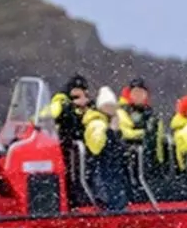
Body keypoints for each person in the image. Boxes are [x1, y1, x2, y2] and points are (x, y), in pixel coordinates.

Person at [47, 74, 93, 206]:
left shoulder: (90, 107)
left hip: (83, 154)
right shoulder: (61, 103)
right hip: (66, 151)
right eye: (75, 89)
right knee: (69, 179)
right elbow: (45, 116)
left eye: (82, 90)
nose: (79, 94)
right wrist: (70, 105)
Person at [116, 77, 167, 198]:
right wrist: (143, 134)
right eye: (135, 92)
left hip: (152, 160)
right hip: (133, 161)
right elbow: (124, 132)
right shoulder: (122, 112)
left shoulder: (152, 115)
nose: (138, 96)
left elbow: (159, 138)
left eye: (141, 93)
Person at [81, 87, 129, 212]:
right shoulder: (97, 124)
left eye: (112, 106)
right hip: (102, 172)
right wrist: (111, 131)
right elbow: (97, 148)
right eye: (107, 105)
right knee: (112, 199)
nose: (111, 109)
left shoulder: (108, 122)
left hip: (110, 172)